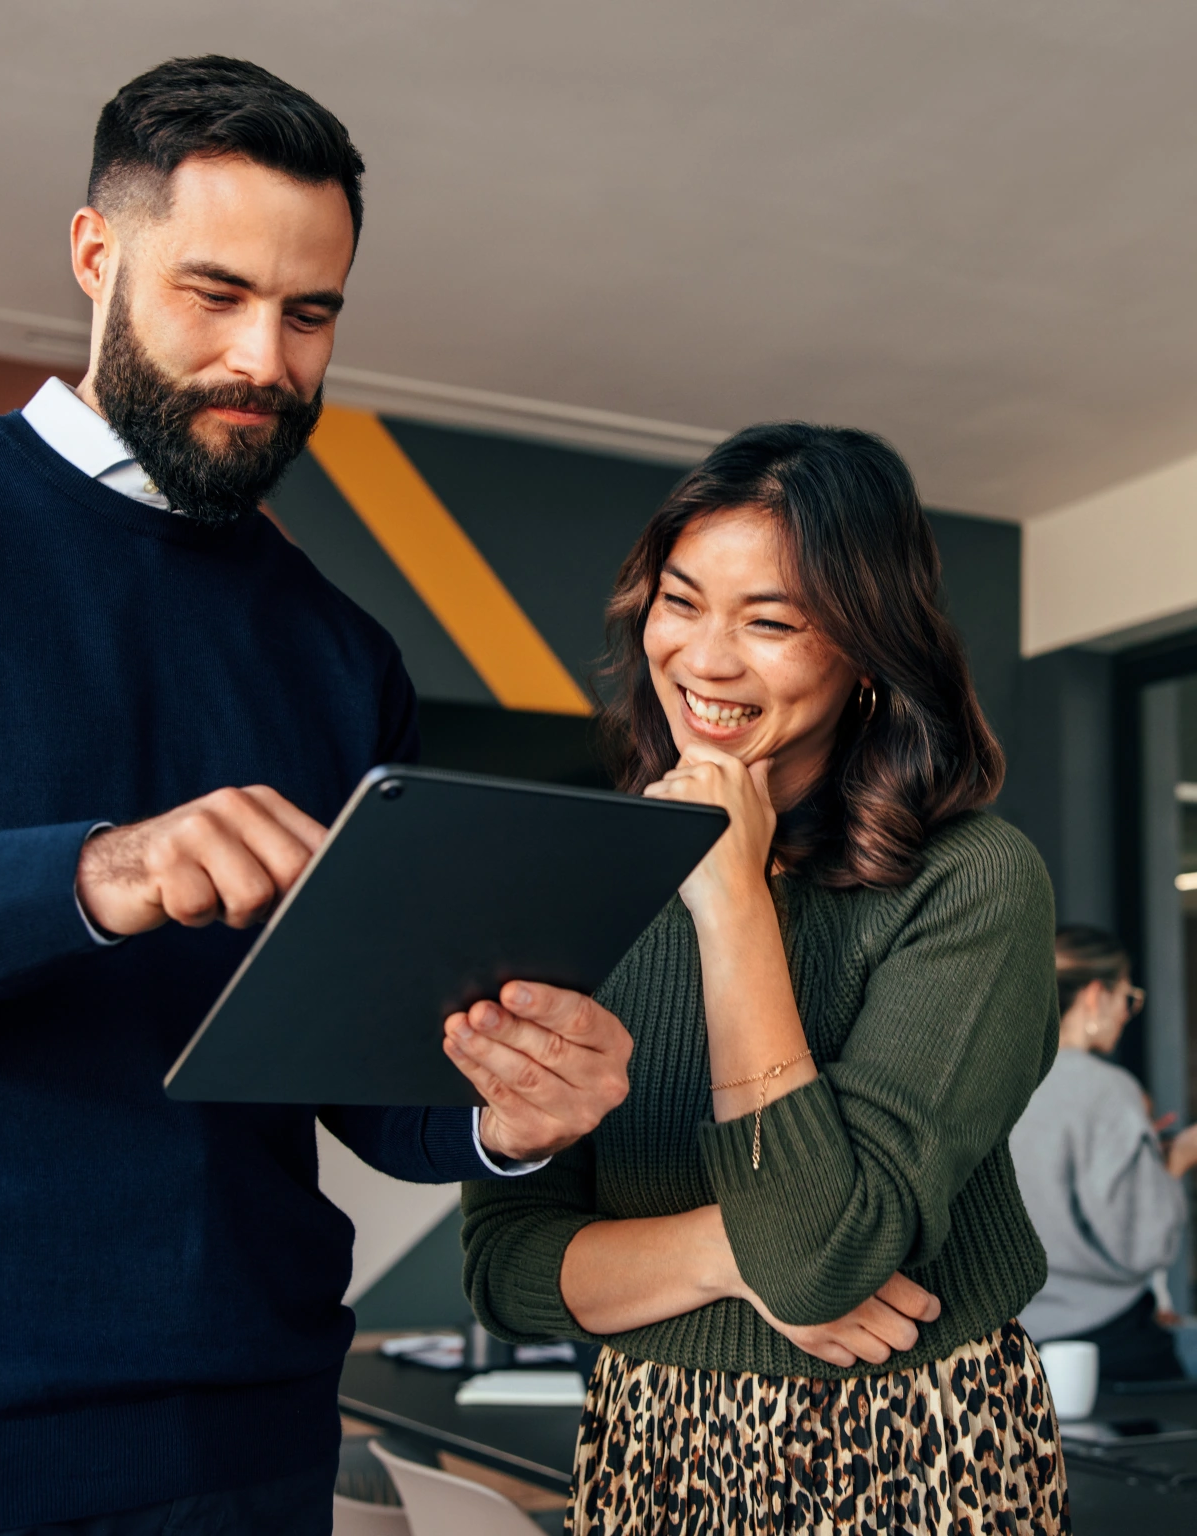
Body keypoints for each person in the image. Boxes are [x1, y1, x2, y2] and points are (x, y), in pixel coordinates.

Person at [0, 57, 631, 1536]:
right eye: (215, 294)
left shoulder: (338, 649)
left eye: (311, 316)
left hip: (248, 1452)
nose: (265, 357)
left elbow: (357, 1076)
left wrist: (510, 1108)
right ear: (95, 256)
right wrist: (93, 874)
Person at [459, 423, 1069, 1532]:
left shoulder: (972, 885)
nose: (705, 658)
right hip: (650, 1450)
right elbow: (506, 1267)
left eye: (772, 622)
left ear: (870, 652)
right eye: (681, 601)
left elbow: (820, 1260)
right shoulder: (571, 882)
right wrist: (722, 1255)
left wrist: (730, 895)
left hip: (918, 1450)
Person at [1010, 925, 1197, 1382]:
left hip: (1012, 1346)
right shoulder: (1106, 1090)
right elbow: (1143, 1244)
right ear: (1095, 995)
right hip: (1108, 1346)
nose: (1126, 1013)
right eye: (1127, 996)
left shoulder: (998, 1081)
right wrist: (1175, 1163)